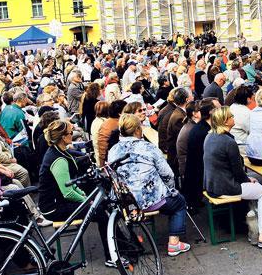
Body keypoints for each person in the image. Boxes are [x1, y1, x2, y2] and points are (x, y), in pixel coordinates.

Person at [108, 114, 192, 257]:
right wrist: (171, 190)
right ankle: (174, 242)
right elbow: (168, 174)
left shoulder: (114, 150)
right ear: (137, 130)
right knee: (179, 202)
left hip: (127, 202)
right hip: (151, 200)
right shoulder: (148, 147)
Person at [204, 107, 262, 248]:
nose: (233, 118)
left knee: (257, 186)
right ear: (226, 121)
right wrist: (248, 179)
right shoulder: (228, 142)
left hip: (212, 184)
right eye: (231, 116)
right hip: (226, 186)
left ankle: (255, 225)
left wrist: (247, 179)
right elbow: (238, 172)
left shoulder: (209, 136)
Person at [38, 120, 112, 264]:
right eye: (71, 133)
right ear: (63, 137)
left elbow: (71, 186)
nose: (73, 134)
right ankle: (111, 256)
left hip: (56, 202)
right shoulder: (58, 159)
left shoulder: (58, 151)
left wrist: (84, 196)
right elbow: (68, 193)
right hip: (53, 208)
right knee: (101, 213)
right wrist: (87, 200)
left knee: (99, 206)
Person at [183, 98, 218, 208]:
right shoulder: (204, 132)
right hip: (201, 178)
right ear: (211, 112)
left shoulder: (201, 127)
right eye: (219, 108)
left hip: (196, 177)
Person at [228, 85, 252, 156]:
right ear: (248, 99)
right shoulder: (246, 113)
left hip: (232, 142)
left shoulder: (231, 107)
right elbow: (251, 131)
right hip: (242, 147)